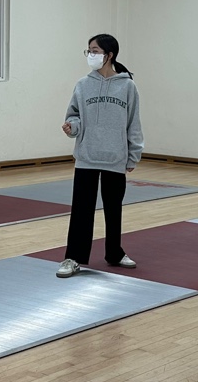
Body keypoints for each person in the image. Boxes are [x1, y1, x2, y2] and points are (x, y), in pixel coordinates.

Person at [55, 33, 143, 278]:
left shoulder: (127, 86)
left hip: (115, 157)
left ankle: (115, 253)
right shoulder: (83, 85)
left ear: (109, 55)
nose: (90, 55)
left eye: (95, 51)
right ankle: (73, 258)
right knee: (81, 211)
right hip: (87, 157)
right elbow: (74, 115)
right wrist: (72, 128)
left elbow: (133, 122)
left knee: (114, 211)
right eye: (89, 51)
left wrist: (133, 155)